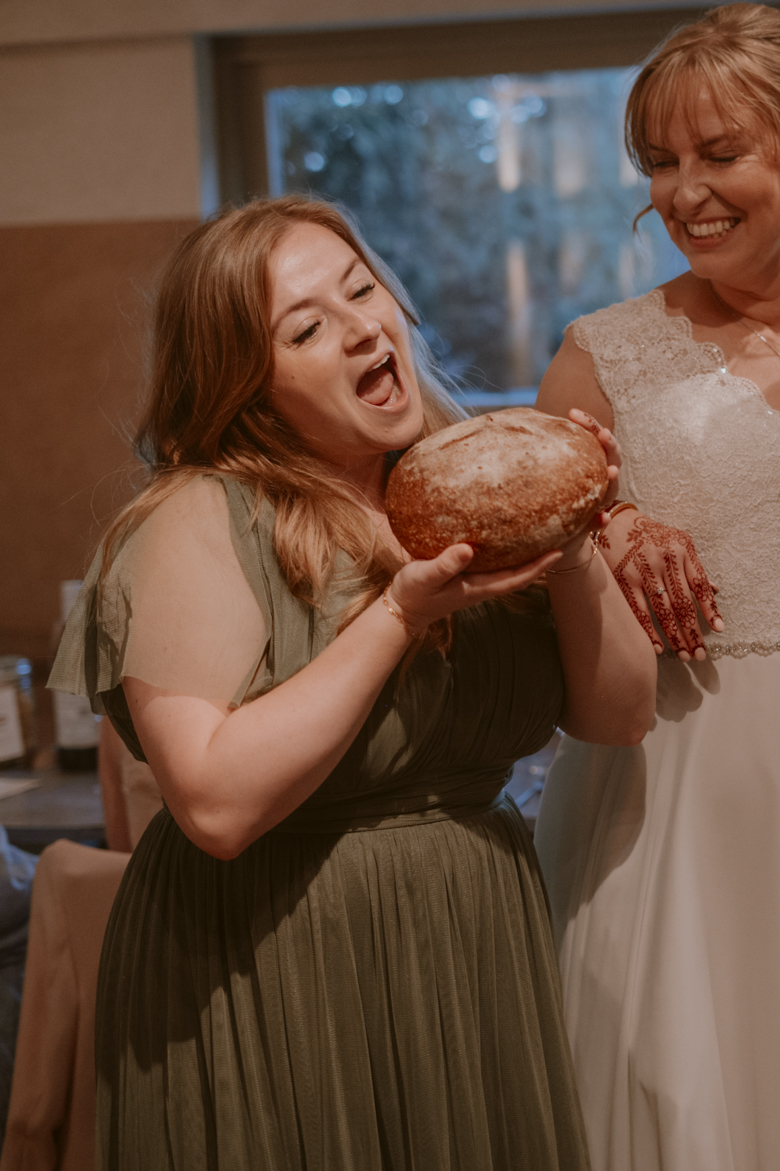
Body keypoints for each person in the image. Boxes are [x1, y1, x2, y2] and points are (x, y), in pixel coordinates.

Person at [49, 195, 655, 1169]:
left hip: (470, 935)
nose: (362, 328)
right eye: (306, 328)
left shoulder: (468, 488)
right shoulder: (199, 517)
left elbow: (619, 714)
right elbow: (214, 804)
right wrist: (397, 617)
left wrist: (572, 534)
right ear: (247, 386)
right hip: (272, 958)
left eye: (361, 290)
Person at [533, 6, 780, 1169]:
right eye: (661, 162)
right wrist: (607, 527)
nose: (685, 194)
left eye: (719, 153)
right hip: (673, 789)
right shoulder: (604, 353)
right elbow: (519, 560)